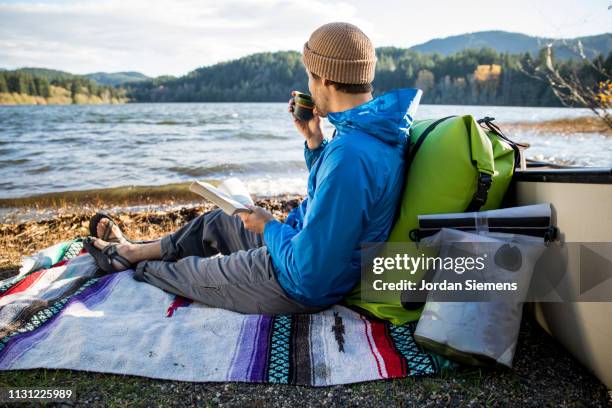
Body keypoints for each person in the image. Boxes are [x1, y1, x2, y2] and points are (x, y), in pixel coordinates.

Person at [85, 22, 420, 314]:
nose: (309, 84)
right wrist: (315, 143)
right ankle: (132, 250)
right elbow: (338, 201)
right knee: (219, 221)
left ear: (326, 79)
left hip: (297, 283)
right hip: (300, 245)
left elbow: (312, 270)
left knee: (188, 273)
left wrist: (269, 228)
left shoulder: (351, 154)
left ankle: (128, 263)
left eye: (309, 75)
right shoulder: (369, 132)